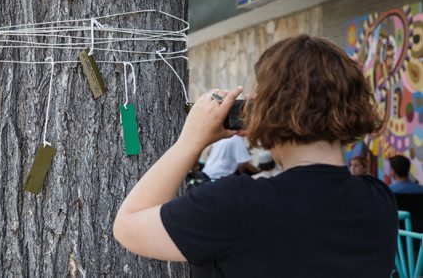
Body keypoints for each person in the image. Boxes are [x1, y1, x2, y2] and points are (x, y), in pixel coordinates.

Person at [113, 35, 398, 277]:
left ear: (268, 110)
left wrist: (189, 142)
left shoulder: (236, 203)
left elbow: (128, 225)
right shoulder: (380, 202)